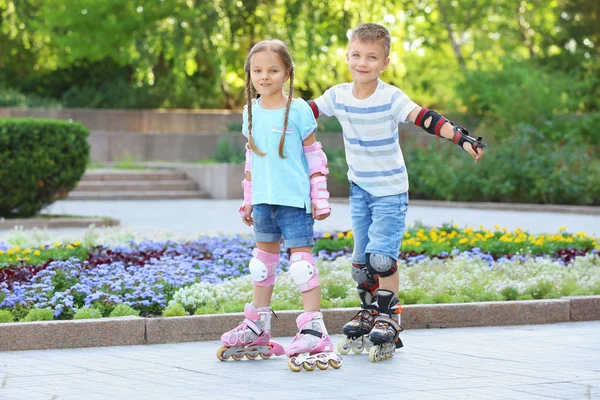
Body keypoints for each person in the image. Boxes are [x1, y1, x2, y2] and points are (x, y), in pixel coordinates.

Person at [307, 23, 486, 361]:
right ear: (347, 56)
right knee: (361, 266)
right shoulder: (338, 95)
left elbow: (427, 119)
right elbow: (305, 112)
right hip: (360, 190)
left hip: (390, 191)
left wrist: (461, 138)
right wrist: (270, 107)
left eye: (372, 57)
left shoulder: (391, 97)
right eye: (357, 55)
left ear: (384, 63)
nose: (363, 63)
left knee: (381, 259)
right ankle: (371, 310)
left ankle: (390, 317)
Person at [217, 39, 343, 372]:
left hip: (294, 201)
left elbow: (314, 155)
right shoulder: (250, 111)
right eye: (257, 70)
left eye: (273, 70)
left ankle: (314, 329)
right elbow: (251, 156)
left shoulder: (299, 109)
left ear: (287, 72)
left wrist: (320, 197)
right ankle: (258, 325)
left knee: (301, 265)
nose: (265, 76)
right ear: (249, 74)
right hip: (263, 201)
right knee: (261, 265)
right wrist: (248, 198)